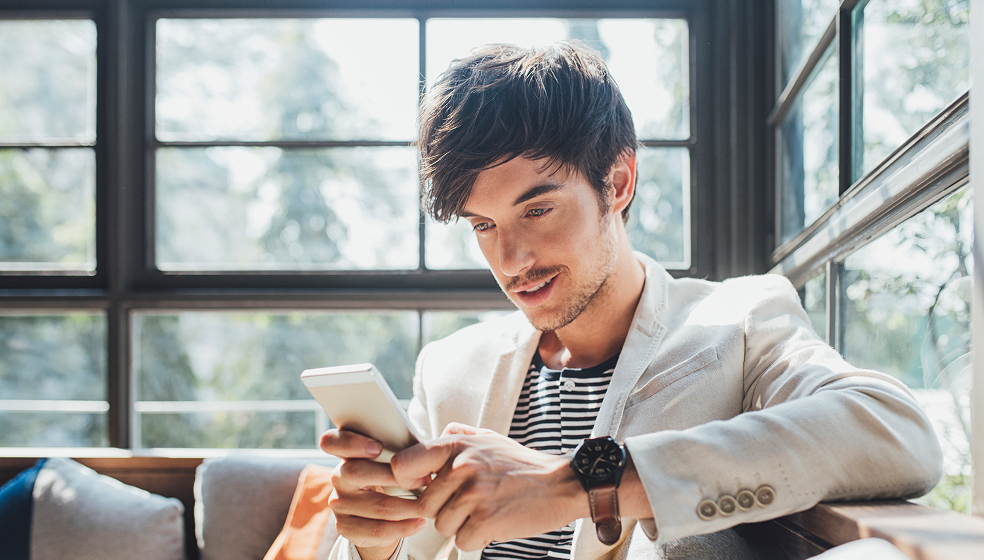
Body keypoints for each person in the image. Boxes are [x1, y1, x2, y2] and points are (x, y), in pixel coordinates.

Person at [320, 41, 942, 560]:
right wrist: (376, 544)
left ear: (617, 182)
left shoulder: (739, 322)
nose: (510, 260)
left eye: (537, 209)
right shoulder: (451, 367)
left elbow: (896, 432)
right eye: (483, 225)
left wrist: (583, 483)